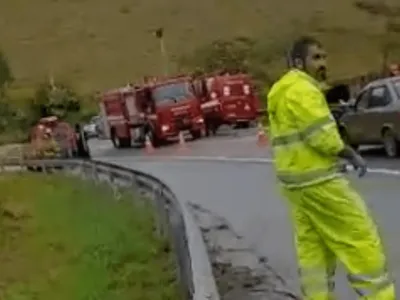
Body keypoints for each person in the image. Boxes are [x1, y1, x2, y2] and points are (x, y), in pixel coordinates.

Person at [267, 36, 395, 300]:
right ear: (299, 62)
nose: (323, 63)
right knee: (359, 237)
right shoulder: (303, 90)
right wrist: (350, 154)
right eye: (316, 58)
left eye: (324, 57)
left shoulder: (279, 91)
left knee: (312, 249)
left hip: (296, 186)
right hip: (320, 182)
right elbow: (322, 137)